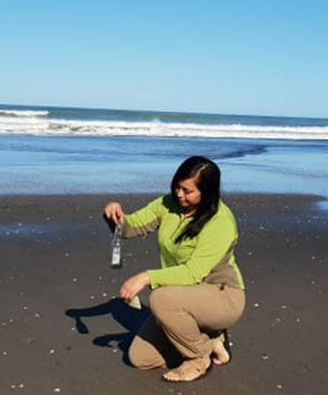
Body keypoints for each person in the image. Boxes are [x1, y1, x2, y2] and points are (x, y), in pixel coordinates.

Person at [103, 156, 246, 383]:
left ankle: (198, 358)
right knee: (140, 358)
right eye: (177, 187)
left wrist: (147, 277)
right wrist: (115, 217)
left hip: (222, 296)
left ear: (207, 192)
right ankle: (210, 340)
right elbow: (130, 229)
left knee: (160, 298)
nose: (179, 195)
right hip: (180, 298)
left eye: (187, 191)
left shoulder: (220, 221)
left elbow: (192, 273)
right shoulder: (168, 204)